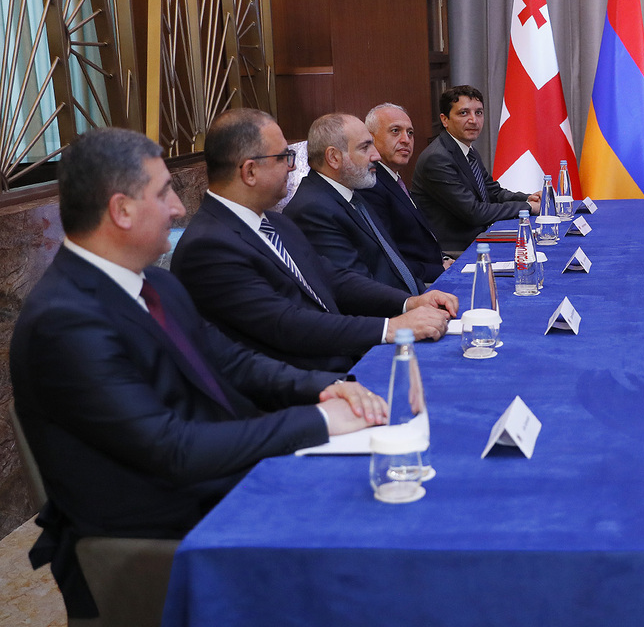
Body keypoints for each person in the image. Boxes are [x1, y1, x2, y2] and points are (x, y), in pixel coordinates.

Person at [9, 128, 388, 617]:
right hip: (155, 533)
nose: (178, 208)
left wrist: (327, 388)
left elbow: (231, 361)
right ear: (122, 210)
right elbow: (172, 449)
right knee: (364, 549)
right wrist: (318, 423)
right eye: (164, 193)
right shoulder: (64, 322)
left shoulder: (155, 283)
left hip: (212, 485)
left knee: (375, 496)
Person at [172, 109, 455, 372]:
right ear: (250, 171)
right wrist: (390, 329)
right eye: (284, 157)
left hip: (338, 359)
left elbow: (334, 278)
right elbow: (285, 323)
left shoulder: (277, 223)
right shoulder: (208, 246)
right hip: (304, 381)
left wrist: (410, 303)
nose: (292, 167)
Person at [285, 113, 451, 296]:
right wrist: (411, 304)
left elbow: (395, 264)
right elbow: (353, 289)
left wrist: (423, 296)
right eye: (365, 147)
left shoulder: (353, 195)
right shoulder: (313, 209)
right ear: (333, 157)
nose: (376, 156)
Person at [412, 85, 540, 254]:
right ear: (445, 120)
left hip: (480, 238)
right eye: (463, 113)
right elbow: (474, 212)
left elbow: (493, 192)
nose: (473, 120)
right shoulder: (437, 159)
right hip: (455, 252)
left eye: (478, 112)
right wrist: (527, 207)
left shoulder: (467, 150)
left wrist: (528, 198)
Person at [359, 102, 452, 283]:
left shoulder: (392, 179)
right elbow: (387, 259)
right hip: (416, 284)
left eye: (410, 133)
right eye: (395, 131)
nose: (406, 140)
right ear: (370, 138)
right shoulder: (371, 185)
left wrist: (444, 260)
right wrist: (439, 270)